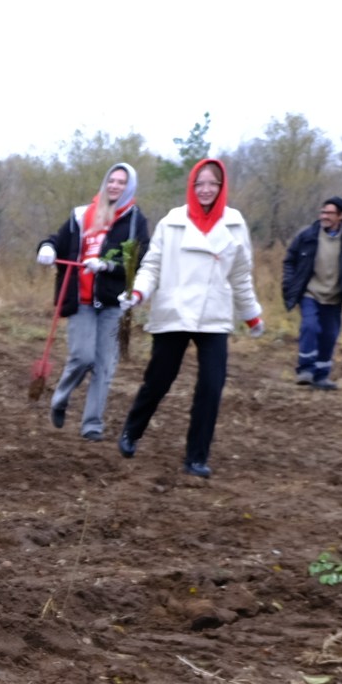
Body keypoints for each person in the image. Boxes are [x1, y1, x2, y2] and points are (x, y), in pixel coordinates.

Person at [118, 158, 262, 479]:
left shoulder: (235, 224)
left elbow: (240, 275)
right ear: (192, 186)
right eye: (201, 184)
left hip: (214, 314)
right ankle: (132, 430)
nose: (207, 190)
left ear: (222, 187)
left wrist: (251, 314)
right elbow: (152, 265)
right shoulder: (172, 222)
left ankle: (196, 457)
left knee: (211, 386)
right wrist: (138, 293)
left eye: (213, 184)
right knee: (159, 379)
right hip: (174, 310)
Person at [34, 163, 150, 440]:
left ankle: (92, 425)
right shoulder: (82, 215)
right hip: (81, 300)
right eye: (112, 180)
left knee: (104, 366)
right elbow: (55, 240)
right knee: (82, 357)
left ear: (129, 187)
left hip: (113, 303)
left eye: (122, 182)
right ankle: (60, 399)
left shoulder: (135, 221)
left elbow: (139, 260)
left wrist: (108, 267)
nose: (115, 186)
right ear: (105, 182)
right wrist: (46, 248)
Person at [282, 196, 342, 389]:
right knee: (310, 327)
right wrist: (289, 284)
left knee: (329, 335)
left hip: (335, 295)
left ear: (341, 216)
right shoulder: (307, 235)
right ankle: (306, 369)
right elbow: (290, 260)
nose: (324, 216)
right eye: (322, 212)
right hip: (310, 292)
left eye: (329, 213)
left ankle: (321, 377)